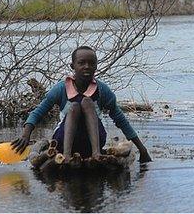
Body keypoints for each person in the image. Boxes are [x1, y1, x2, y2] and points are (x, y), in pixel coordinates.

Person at [11, 46, 152, 162]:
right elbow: (38, 112)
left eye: (91, 64)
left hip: (92, 143)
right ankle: (66, 155)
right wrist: (25, 135)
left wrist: (142, 149)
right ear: (73, 66)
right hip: (64, 140)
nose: (87, 67)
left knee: (86, 102)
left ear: (96, 66)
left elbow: (120, 120)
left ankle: (96, 153)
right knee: (75, 106)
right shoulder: (61, 89)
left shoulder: (102, 90)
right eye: (81, 63)